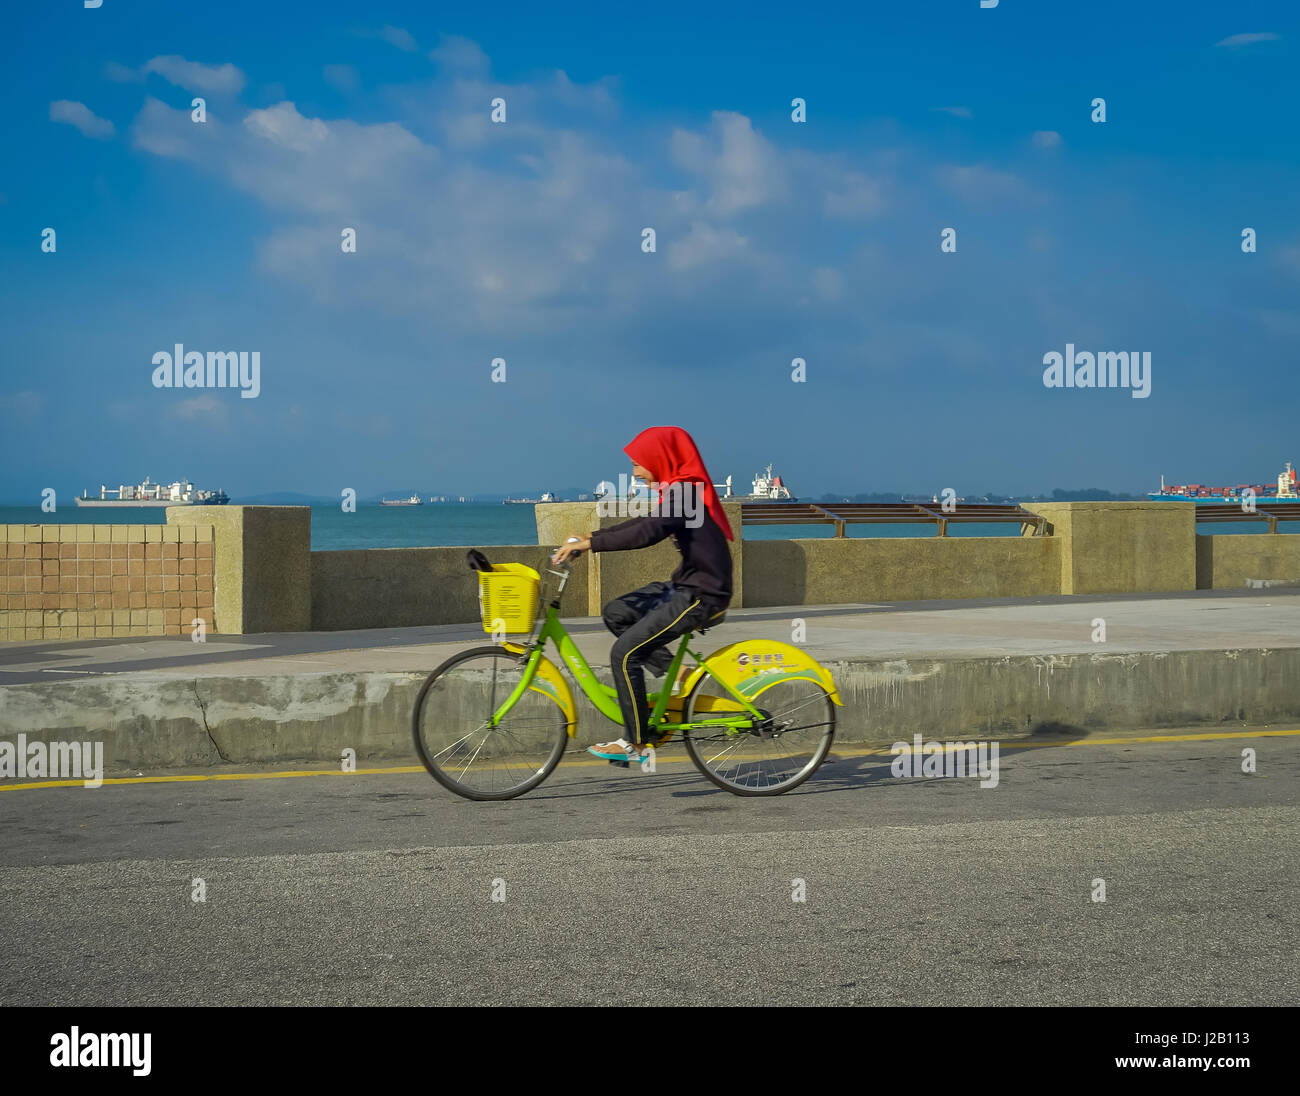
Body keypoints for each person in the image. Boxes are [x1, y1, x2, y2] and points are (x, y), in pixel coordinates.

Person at [550, 426, 733, 764]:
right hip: (684, 586)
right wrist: (589, 536)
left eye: (637, 464)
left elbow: (648, 532)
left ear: (659, 458)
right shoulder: (679, 491)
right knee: (617, 612)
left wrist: (592, 544)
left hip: (701, 595)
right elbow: (644, 522)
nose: (634, 473)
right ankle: (677, 674)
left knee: (625, 653)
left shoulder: (687, 493)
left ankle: (636, 742)